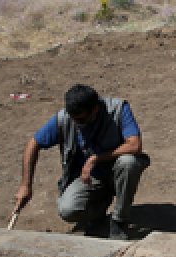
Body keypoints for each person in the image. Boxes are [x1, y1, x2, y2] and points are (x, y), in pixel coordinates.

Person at [14, 84, 148, 240]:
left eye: (82, 119)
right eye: (74, 119)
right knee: (67, 210)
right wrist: (25, 185)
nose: (77, 123)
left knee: (128, 162)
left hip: (117, 172)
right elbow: (33, 143)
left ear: (95, 109)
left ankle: (119, 221)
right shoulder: (65, 118)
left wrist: (96, 158)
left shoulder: (118, 109)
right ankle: (97, 211)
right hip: (89, 178)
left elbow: (135, 145)